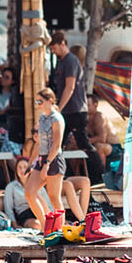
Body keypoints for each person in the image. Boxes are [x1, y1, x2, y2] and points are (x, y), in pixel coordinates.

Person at [29, 86, 89, 218]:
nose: (38, 105)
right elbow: (39, 143)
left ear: (50, 100)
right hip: (42, 158)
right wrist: (31, 164)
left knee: (54, 197)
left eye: (40, 101)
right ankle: (45, 226)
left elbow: (56, 144)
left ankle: (59, 228)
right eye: (36, 102)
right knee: (29, 192)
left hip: (54, 159)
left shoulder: (57, 119)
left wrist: (47, 164)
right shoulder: (42, 118)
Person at [49, 31, 95, 177]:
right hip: (67, 112)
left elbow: (70, 87)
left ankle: (99, 172)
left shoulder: (71, 61)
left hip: (75, 110)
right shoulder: (61, 62)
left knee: (83, 144)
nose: (53, 52)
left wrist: (58, 109)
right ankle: (62, 174)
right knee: (57, 143)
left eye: (54, 48)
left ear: (63, 43)